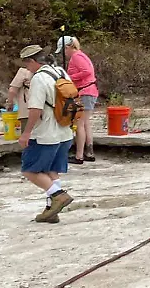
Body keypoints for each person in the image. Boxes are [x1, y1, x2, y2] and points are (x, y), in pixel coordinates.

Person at [18, 50, 75, 222]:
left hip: (46, 133)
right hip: (65, 131)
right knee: (51, 170)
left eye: (26, 64)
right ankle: (51, 211)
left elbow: (35, 109)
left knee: (30, 170)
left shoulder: (38, 79)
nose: (27, 68)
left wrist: (26, 132)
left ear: (33, 61)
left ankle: (58, 195)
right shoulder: (61, 72)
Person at [56, 36, 98, 164]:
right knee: (85, 123)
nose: (64, 54)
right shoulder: (81, 55)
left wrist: (68, 77)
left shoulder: (77, 57)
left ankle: (79, 156)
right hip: (89, 91)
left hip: (85, 92)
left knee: (79, 123)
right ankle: (89, 152)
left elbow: (87, 71)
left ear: (68, 47)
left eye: (63, 50)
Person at [5, 45, 42, 134]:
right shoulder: (47, 72)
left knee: (28, 136)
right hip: (43, 112)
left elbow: (12, 90)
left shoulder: (23, 72)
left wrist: (10, 103)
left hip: (27, 111)